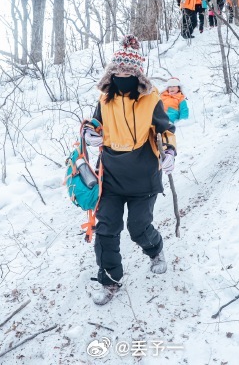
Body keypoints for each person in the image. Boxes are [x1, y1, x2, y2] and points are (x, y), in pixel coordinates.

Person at [84, 34, 177, 305]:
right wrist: (91, 134)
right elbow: (94, 124)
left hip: (143, 174)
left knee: (138, 227)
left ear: (137, 72)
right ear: (112, 71)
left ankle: (155, 249)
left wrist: (169, 151)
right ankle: (110, 280)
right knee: (106, 228)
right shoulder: (104, 99)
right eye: (117, 69)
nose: (122, 73)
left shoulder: (151, 98)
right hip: (110, 175)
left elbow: (165, 128)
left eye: (128, 69)